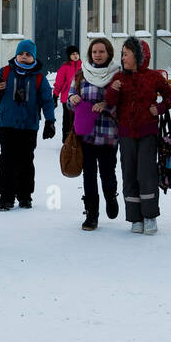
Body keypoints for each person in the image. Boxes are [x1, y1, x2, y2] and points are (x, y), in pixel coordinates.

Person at [104, 37, 171, 235]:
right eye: (122, 54)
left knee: (146, 174)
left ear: (138, 56)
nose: (123, 57)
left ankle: (150, 216)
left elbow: (170, 96)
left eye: (126, 53)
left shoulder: (153, 77)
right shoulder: (119, 78)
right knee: (129, 174)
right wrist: (113, 90)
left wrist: (159, 108)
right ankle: (135, 218)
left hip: (148, 133)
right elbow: (110, 102)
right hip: (126, 134)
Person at [0, 39, 56, 210]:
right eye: (21, 54)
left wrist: (50, 121)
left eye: (28, 54)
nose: (24, 57)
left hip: (28, 126)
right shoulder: (5, 71)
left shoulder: (39, 77)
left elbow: (47, 100)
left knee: (26, 161)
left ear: (33, 57)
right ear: (16, 55)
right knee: (7, 160)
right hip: (7, 125)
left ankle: (25, 195)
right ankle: (6, 196)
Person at [67, 37, 119, 231]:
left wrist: (107, 105)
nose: (97, 55)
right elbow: (69, 100)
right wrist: (72, 98)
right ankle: (91, 214)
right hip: (86, 135)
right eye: (94, 52)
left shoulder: (116, 75)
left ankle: (111, 196)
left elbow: (121, 103)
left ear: (109, 53)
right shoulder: (82, 74)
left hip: (108, 134)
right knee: (89, 176)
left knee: (107, 173)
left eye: (101, 51)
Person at [52, 45, 81, 144]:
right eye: (73, 54)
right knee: (67, 120)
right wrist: (55, 95)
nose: (75, 56)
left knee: (78, 120)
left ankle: (77, 140)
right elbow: (59, 82)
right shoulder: (65, 67)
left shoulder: (84, 66)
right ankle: (66, 140)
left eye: (77, 53)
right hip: (66, 98)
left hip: (79, 98)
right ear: (69, 56)